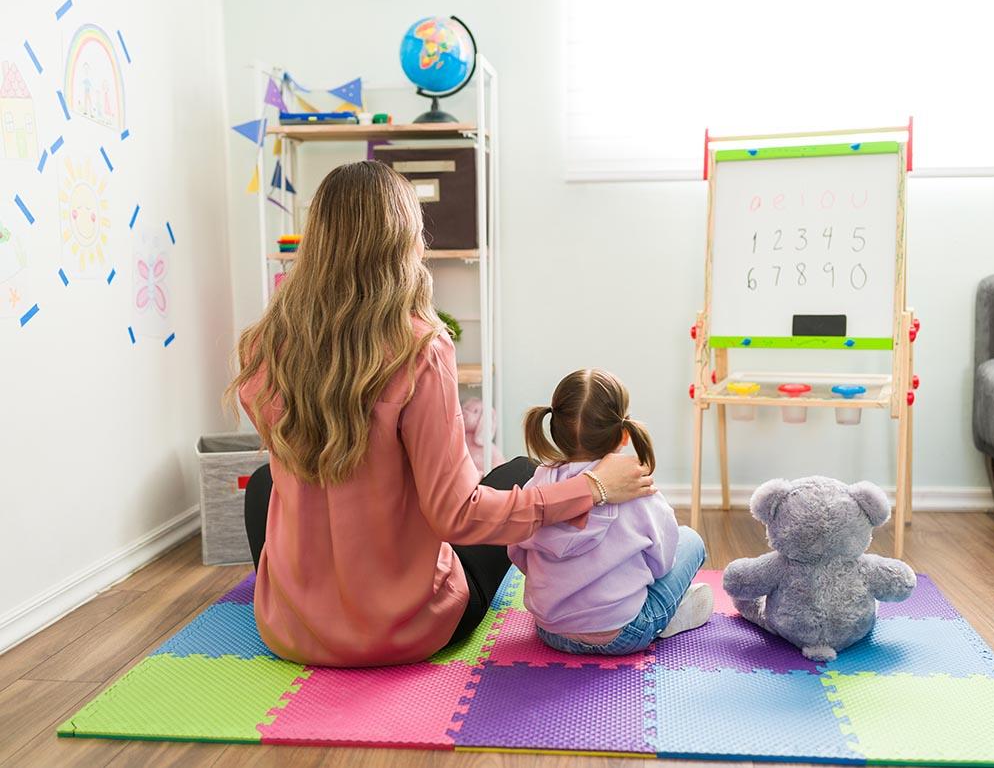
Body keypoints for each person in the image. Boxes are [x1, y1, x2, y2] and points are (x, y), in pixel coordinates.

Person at [224, 161, 655, 667]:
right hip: (405, 629)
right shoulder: (420, 345)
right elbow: (458, 516)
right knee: (519, 471)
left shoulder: (263, 343)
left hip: (288, 630)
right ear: (403, 241)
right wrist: (594, 488)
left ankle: (308, 603)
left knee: (263, 484)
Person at [509, 369, 711, 656]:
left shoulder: (538, 489)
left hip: (550, 629)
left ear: (554, 429)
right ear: (624, 434)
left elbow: (518, 554)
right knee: (690, 540)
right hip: (624, 634)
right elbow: (662, 565)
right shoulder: (637, 491)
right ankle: (669, 618)